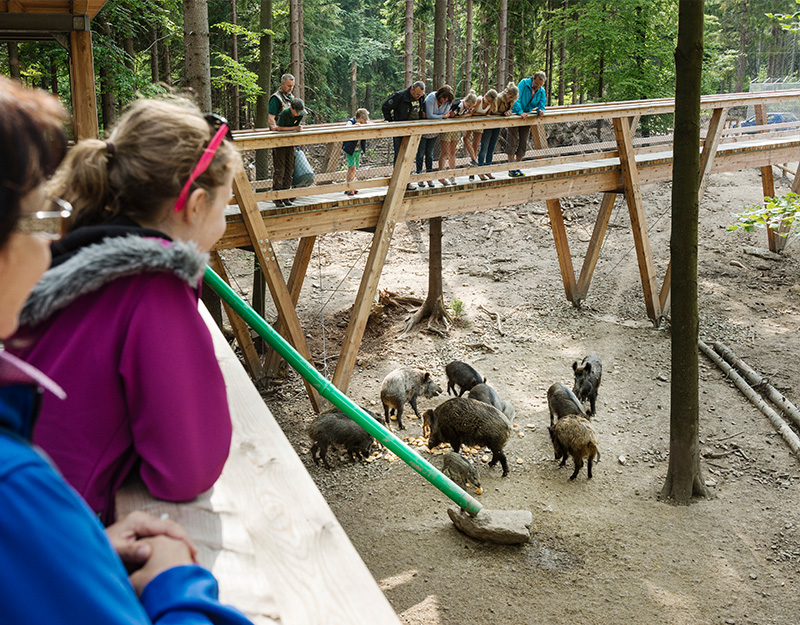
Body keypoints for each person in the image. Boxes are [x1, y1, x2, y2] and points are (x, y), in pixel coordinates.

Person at [0, 75, 253, 624]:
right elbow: (185, 470)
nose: (225, 221)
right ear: (196, 204)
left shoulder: (76, 254)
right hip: (45, 525)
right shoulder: (154, 286)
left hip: (49, 529)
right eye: (226, 206)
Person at [382, 80, 426, 187]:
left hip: (414, 131)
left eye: (420, 95)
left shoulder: (421, 97)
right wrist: (391, 121)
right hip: (400, 130)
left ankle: (406, 181)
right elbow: (385, 107)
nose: (418, 96)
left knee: (409, 156)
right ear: (412, 89)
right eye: (416, 94)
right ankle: (397, 182)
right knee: (399, 156)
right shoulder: (400, 96)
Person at [509, 71, 547, 177]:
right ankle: (511, 167)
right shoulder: (523, 83)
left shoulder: (541, 91)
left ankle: (518, 166)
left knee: (523, 141)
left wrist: (541, 111)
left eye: (540, 85)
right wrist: (520, 111)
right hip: (516, 114)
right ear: (533, 78)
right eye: (537, 84)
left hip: (527, 117)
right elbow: (517, 99)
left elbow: (542, 103)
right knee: (512, 140)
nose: (538, 86)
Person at [417, 84, 455, 188]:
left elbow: (445, 113)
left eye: (447, 98)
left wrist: (440, 116)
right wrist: (442, 116)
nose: (444, 100)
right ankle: (419, 178)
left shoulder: (447, 102)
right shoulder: (431, 98)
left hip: (434, 131)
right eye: (443, 97)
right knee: (420, 153)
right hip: (423, 130)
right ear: (440, 94)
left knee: (429, 154)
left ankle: (429, 178)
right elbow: (430, 116)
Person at [478, 82, 518, 179]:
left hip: (499, 124)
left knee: (492, 147)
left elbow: (511, 110)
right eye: (510, 97)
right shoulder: (499, 98)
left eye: (513, 98)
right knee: (484, 147)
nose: (511, 99)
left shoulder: (512, 100)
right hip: (490, 123)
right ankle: (480, 170)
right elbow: (493, 110)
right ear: (507, 93)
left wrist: (509, 112)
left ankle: (488, 169)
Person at [439, 90, 478, 186]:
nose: (468, 108)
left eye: (470, 107)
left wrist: (463, 116)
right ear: (465, 101)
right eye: (468, 106)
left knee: (452, 152)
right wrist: (461, 117)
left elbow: (469, 114)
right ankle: (440, 174)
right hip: (448, 128)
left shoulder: (467, 108)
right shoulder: (458, 105)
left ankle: (452, 175)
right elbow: (452, 115)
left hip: (456, 129)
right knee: (445, 152)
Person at [271, 97, 305, 207]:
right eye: (297, 111)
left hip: (290, 143)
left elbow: (296, 129)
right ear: (292, 108)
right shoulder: (285, 113)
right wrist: (295, 128)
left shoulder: (300, 114)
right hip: (280, 143)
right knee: (280, 169)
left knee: (289, 168)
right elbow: (279, 127)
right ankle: (277, 197)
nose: (298, 114)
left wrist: (297, 139)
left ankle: (286, 196)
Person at [467, 88, 497, 181]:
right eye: (488, 101)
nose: (488, 103)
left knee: (476, 145)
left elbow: (487, 113)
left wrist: (480, 115)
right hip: (471, 122)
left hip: (480, 125)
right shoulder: (479, 100)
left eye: (490, 102)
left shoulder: (490, 104)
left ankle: (476, 170)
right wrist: (480, 115)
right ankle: (472, 172)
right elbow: (472, 112)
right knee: (469, 142)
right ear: (485, 96)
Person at [342, 108, 369, 196]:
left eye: (363, 123)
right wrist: (356, 126)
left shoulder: (365, 123)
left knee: (355, 167)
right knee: (352, 166)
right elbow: (347, 128)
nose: (362, 124)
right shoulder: (351, 122)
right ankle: (350, 187)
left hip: (358, 149)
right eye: (361, 122)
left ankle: (351, 186)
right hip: (350, 149)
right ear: (356, 118)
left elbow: (371, 124)